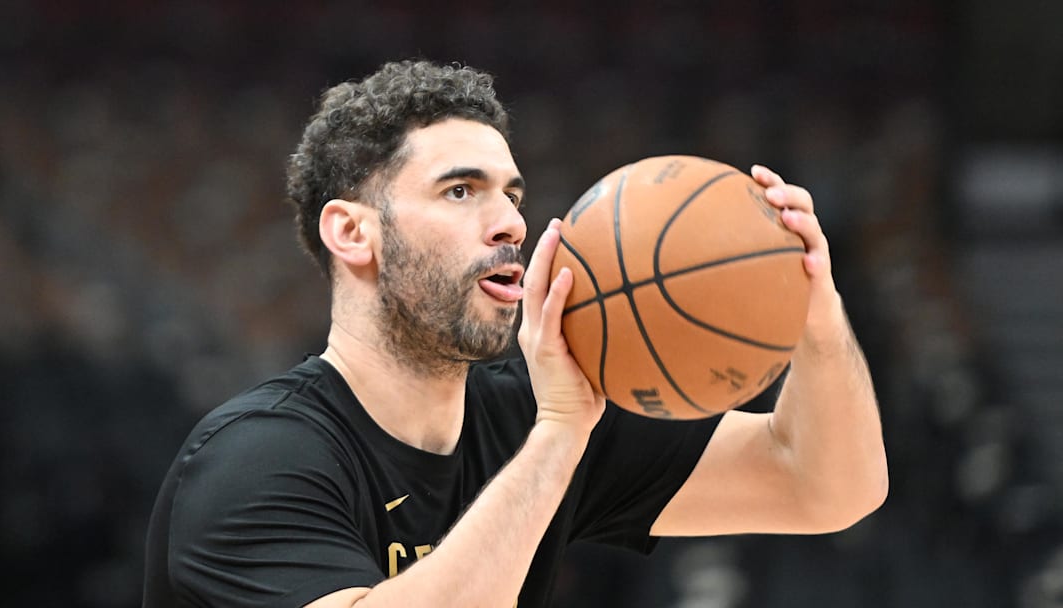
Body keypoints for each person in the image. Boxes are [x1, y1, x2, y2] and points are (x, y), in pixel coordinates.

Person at [142, 60, 888, 608]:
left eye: (512, 194)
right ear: (352, 232)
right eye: (461, 190)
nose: (509, 222)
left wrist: (813, 317)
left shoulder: (528, 418)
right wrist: (560, 439)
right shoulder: (253, 460)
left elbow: (823, 485)